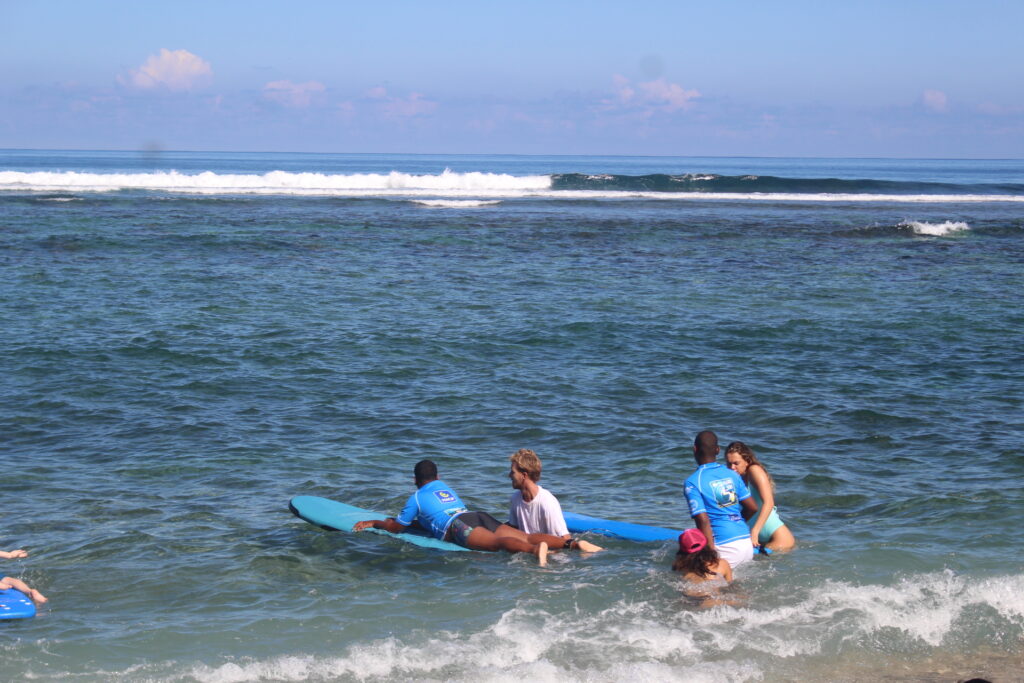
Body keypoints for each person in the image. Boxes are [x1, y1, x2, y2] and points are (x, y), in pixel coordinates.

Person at [353, 459, 555, 566]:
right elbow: (428, 520)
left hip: (459, 527)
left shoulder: (416, 497)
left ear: (414, 480)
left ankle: (535, 551)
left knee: (496, 544)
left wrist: (375, 522)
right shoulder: (444, 487)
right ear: (437, 476)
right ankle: (570, 544)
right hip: (476, 515)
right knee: (527, 537)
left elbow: (396, 528)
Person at [684, 430, 759, 568]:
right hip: (745, 541)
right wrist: (735, 522)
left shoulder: (693, 482)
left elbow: (703, 520)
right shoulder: (732, 474)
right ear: (718, 450)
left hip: (724, 545)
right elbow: (752, 507)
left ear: (695, 449)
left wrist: (710, 554)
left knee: (692, 582)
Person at [507, 449, 603, 553]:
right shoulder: (516, 498)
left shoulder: (547, 502)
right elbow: (514, 530)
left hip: (552, 553)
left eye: (513, 472)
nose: (509, 475)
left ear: (524, 475)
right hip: (531, 550)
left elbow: (565, 538)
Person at [724, 441, 796, 552]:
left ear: (747, 461)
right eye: (729, 464)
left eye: (736, 463)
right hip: (759, 539)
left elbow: (769, 503)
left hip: (778, 539)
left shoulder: (754, 470)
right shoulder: (735, 478)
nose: (732, 467)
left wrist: (755, 532)